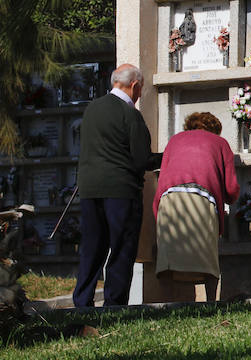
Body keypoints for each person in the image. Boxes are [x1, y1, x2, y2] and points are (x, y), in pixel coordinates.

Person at [73, 64, 161, 307]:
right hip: (120, 190)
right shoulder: (130, 113)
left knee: (92, 247)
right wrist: (169, 157)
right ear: (134, 86)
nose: (140, 94)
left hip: (90, 189)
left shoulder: (92, 109)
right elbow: (141, 159)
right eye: (140, 89)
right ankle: (114, 304)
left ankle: (82, 302)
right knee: (121, 248)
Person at [153, 112, 239, 302]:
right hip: (202, 199)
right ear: (215, 129)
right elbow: (231, 187)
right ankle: (210, 303)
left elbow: (163, 176)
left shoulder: (174, 141)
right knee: (207, 258)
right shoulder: (220, 143)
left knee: (167, 259)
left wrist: (157, 210)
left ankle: (169, 303)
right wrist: (231, 198)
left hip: (170, 200)